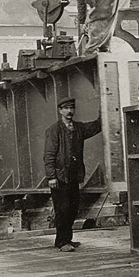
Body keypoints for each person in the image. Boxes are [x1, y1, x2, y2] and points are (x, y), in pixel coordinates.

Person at [44, 97, 101, 252]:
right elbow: (49, 155)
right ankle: (62, 242)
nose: (69, 111)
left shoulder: (78, 128)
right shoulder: (54, 130)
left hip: (73, 176)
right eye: (66, 108)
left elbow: (96, 126)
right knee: (62, 210)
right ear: (60, 111)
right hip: (59, 177)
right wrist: (51, 177)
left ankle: (65, 239)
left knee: (72, 208)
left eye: (72, 108)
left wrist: (104, 106)